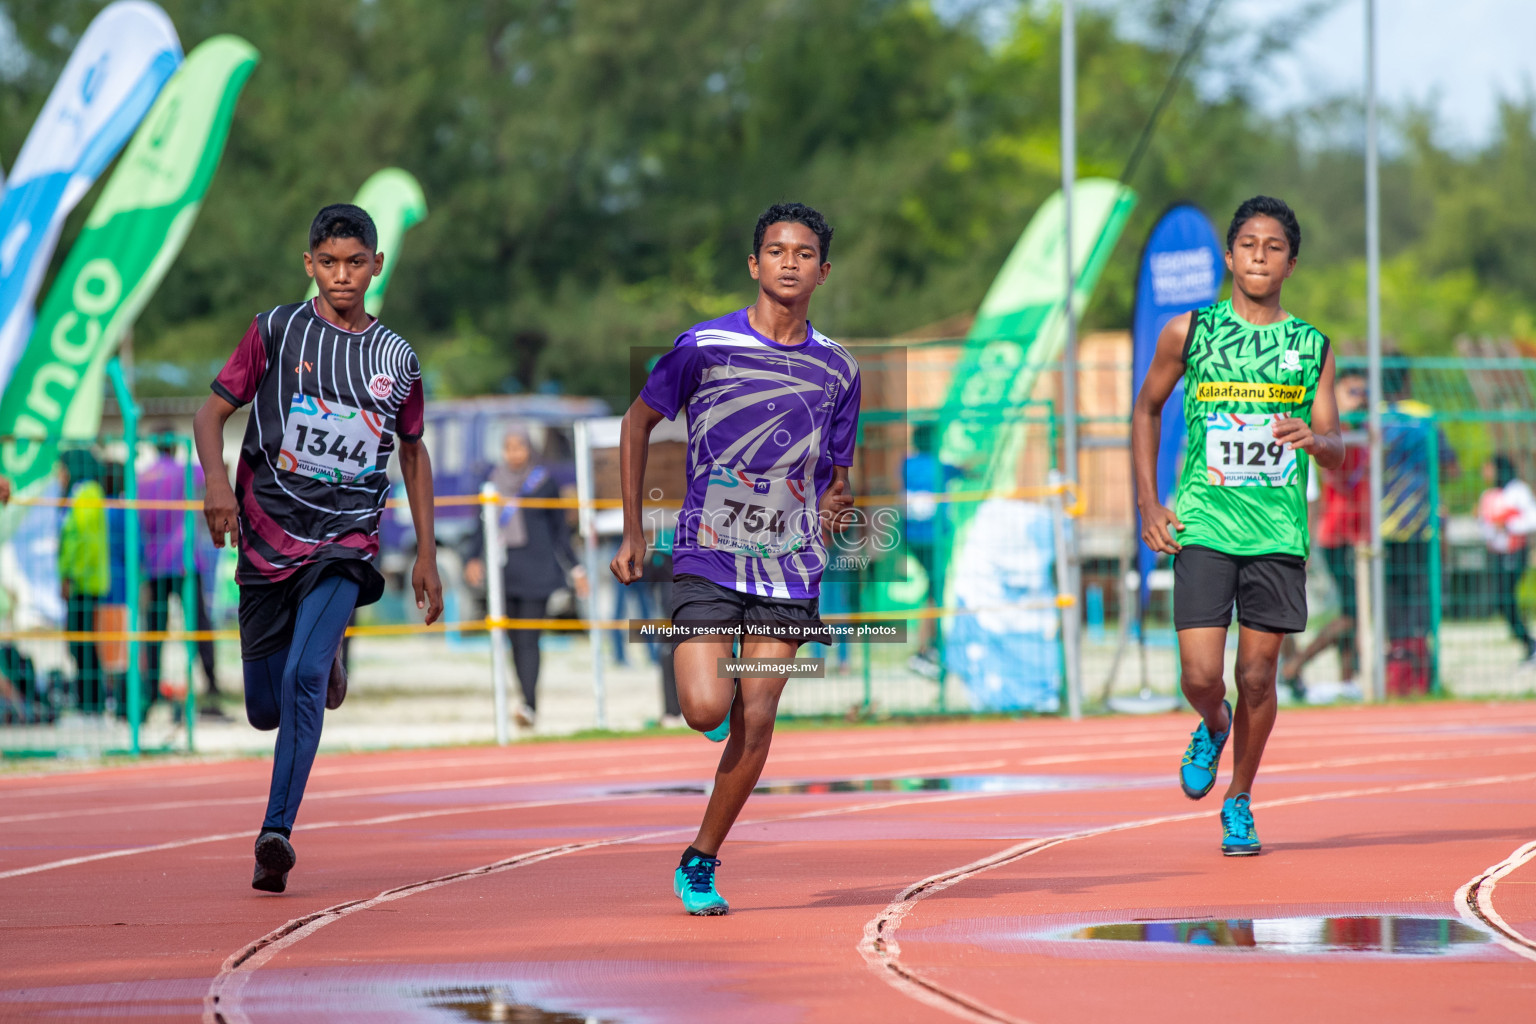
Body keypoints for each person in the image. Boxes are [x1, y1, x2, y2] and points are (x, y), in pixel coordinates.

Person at [611, 202, 859, 914]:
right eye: (776, 250)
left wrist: (835, 505)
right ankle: (713, 703)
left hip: (787, 569)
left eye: (804, 253)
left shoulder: (838, 368)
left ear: (823, 270)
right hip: (708, 556)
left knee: (757, 710)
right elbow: (638, 421)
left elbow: (837, 478)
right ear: (754, 264)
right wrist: (633, 530)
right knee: (703, 706)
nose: (789, 261)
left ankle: (701, 857)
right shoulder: (705, 345)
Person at [193, 203, 443, 894]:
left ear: (376, 265)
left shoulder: (397, 359)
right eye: (329, 263)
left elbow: (413, 454)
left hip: (347, 539)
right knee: (266, 709)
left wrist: (426, 552)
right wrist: (217, 484)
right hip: (266, 536)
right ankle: (324, 657)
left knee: (302, 679)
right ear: (310, 264)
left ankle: (276, 833)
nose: (342, 276)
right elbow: (211, 412)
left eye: (355, 263)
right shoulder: (275, 329)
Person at [1133, 195, 1343, 856]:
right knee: (1201, 675)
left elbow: (1338, 447)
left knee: (1258, 676)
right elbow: (1145, 411)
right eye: (1248, 244)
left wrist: (1317, 440)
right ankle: (1212, 722)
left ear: (1291, 262)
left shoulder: (1311, 347)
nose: (1259, 254)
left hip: (1277, 535)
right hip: (1203, 524)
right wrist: (1149, 503)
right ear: (1229, 256)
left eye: (1273, 246)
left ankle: (1241, 799)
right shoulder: (1188, 332)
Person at [464, 427, 586, 728]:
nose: (514, 453)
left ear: (529, 448)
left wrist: (576, 569)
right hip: (504, 572)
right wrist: (472, 557)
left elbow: (560, 533)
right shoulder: (491, 482)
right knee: (513, 640)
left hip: (538, 572)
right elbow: (481, 527)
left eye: (519, 447)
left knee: (529, 639)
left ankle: (529, 704)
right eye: (509, 447)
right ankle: (525, 699)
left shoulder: (544, 482)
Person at [1279, 368, 1369, 698]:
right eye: (1353, 392)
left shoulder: (1360, 431)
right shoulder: (1330, 433)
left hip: (1355, 534)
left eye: (1364, 393)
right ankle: (1294, 666)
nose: (1361, 399)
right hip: (1331, 533)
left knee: (1355, 610)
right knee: (1350, 613)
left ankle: (1346, 679)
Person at [1379, 363, 1458, 695]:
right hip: (1421, 523)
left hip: (1380, 525)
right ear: (1408, 380)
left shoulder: (1372, 418)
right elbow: (1450, 468)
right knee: (1421, 602)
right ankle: (1423, 679)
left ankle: (1396, 678)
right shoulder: (1425, 417)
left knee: (1390, 606)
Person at [139, 436, 227, 717]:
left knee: (155, 628)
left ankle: (151, 690)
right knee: (199, 623)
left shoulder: (142, 478)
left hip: (154, 562)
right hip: (184, 560)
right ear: (175, 447)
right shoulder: (185, 470)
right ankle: (211, 684)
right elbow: (219, 469)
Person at [59, 449, 110, 714]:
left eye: (62, 468)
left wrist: (70, 576)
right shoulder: (78, 493)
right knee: (78, 643)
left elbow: (84, 543)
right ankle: (87, 700)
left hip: (84, 583)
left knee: (82, 644)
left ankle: (92, 702)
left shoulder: (87, 493)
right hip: (80, 581)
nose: (59, 475)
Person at [1476, 453, 1536, 665]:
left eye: (1488, 467)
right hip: (1497, 555)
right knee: (1502, 601)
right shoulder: (1490, 494)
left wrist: (1508, 524)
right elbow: (1485, 527)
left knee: (1505, 598)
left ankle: (1530, 645)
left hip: (1515, 553)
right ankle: (1529, 644)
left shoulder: (1518, 491)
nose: (1485, 472)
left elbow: (1531, 519)